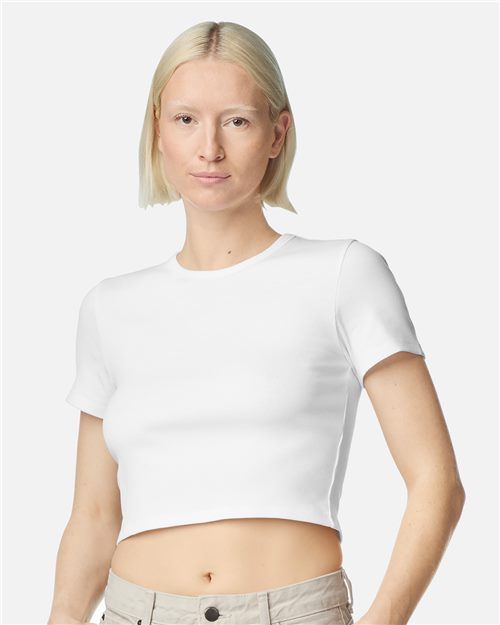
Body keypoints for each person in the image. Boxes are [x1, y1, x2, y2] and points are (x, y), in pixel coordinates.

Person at [48, 21, 466, 625]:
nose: (209, 148)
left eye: (237, 121)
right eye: (186, 119)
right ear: (158, 130)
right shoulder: (107, 307)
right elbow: (92, 517)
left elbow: (436, 481)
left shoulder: (344, 274)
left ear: (278, 133)